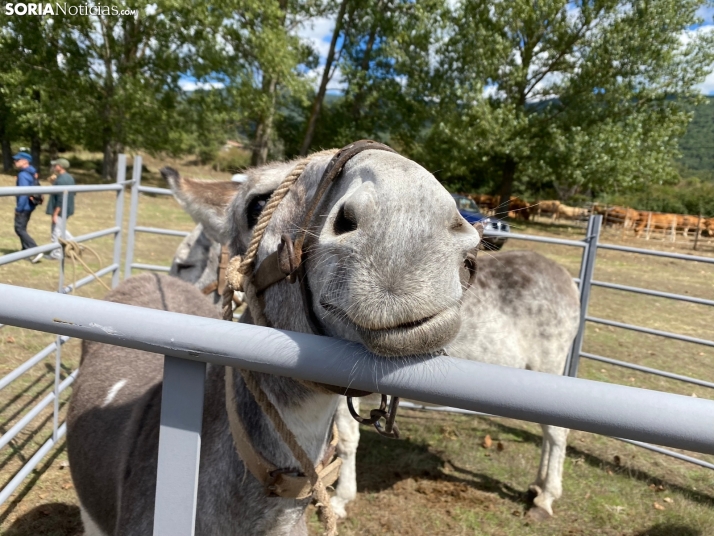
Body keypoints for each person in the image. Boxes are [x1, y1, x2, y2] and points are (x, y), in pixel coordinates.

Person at [12, 151, 43, 263]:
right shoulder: (31, 172)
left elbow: (23, 193)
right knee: (22, 228)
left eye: (17, 160)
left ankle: (35, 250)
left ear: (25, 161)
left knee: (19, 228)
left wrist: (18, 209)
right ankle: (25, 251)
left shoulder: (23, 175)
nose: (15, 162)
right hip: (30, 205)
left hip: (24, 206)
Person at [45, 158, 75, 260]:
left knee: (56, 231)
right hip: (68, 208)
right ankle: (76, 244)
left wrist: (55, 213)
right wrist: (54, 183)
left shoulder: (62, 179)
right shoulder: (69, 178)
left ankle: (56, 254)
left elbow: (61, 198)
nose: (54, 166)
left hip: (61, 209)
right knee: (61, 229)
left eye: (56, 165)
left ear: (60, 166)